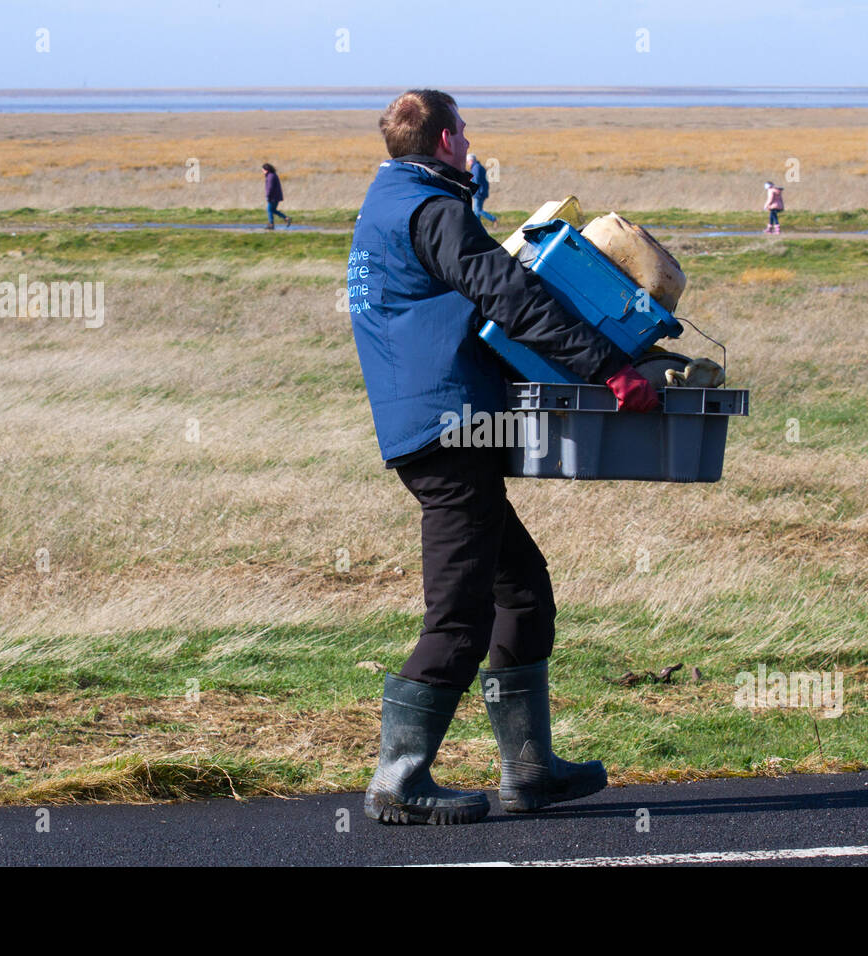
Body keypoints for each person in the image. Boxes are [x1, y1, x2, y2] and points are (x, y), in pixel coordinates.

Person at [347, 89, 659, 825]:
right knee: (459, 614)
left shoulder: (394, 200)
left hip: (437, 424)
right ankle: (399, 780)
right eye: (465, 134)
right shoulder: (432, 210)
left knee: (522, 590)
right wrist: (607, 367)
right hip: (446, 430)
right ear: (449, 139)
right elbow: (507, 295)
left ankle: (531, 771)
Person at [466, 152, 497, 225]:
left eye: (468, 161)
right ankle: (477, 226)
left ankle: (493, 219)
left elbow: (476, 180)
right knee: (477, 211)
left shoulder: (476, 167)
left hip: (479, 192)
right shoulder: (477, 167)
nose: (467, 163)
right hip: (480, 191)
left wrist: (473, 189)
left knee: (477, 210)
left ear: (471, 160)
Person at [262, 162, 291, 229]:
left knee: (269, 210)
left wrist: (268, 196)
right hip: (276, 196)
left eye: (263, 170)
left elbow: (270, 188)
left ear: (266, 170)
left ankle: (271, 224)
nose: (262, 171)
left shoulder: (270, 176)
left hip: (273, 197)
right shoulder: (272, 175)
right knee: (273, 210)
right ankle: (286, 218)